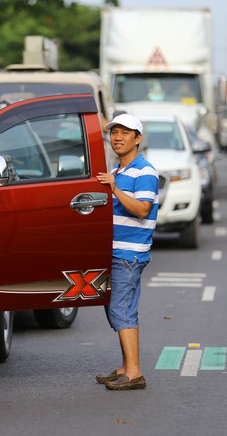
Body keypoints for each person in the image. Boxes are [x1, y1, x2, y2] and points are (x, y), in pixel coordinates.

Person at [95, 113, 159, 391]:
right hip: (116, 251)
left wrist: (115, 189)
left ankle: (134, 372)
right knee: (118, 310)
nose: (118, 137)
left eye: (125, 132)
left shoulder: (144, 171)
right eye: (114, 132)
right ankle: (125, 367)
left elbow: (142, 209)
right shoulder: (118, 171)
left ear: (138, 138)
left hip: (129, 253)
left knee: (122, 311)